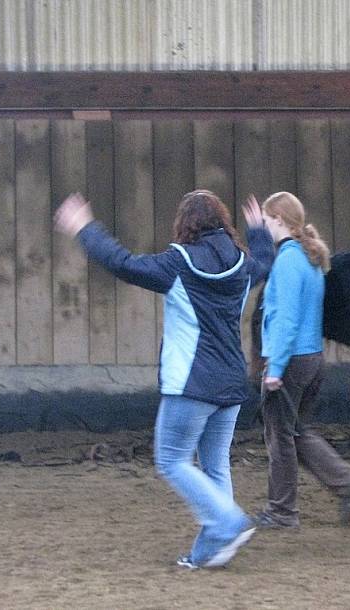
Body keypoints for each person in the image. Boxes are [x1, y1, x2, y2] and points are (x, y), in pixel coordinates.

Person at [54, 189, 274, 569]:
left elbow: (123, 263)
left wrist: (85, 228)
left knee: (171, 460)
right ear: (223, 222)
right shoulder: (243, 265)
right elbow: (266, 262)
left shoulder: (178, 262)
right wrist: (258, 231)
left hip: (191, 383)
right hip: (230, 384)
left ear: (185, 225)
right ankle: (210, 551)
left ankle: (228, 522)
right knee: (214, 465)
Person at [256, 191, 350, 530]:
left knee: (280, 437)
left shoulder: (289, 260)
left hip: (291, 361)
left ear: (278, 219)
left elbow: (287, 319)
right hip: (312, 359)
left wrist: (275, 368)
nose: (263, 226)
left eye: (265, 220)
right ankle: (346, 482)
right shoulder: (309, 258)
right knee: (296, 432)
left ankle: (282, 512)